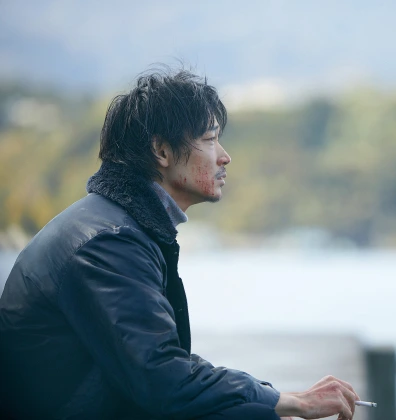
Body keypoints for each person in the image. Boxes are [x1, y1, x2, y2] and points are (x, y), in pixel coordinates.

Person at [0, 68, 359, 419]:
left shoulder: (118, 224)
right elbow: (164, 379)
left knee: (253, 411)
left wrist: (274, 399)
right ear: (162, 151)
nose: (224, 156)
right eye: (210, 139)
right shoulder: (109, 242)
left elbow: (159, 362)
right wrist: (287, 402)